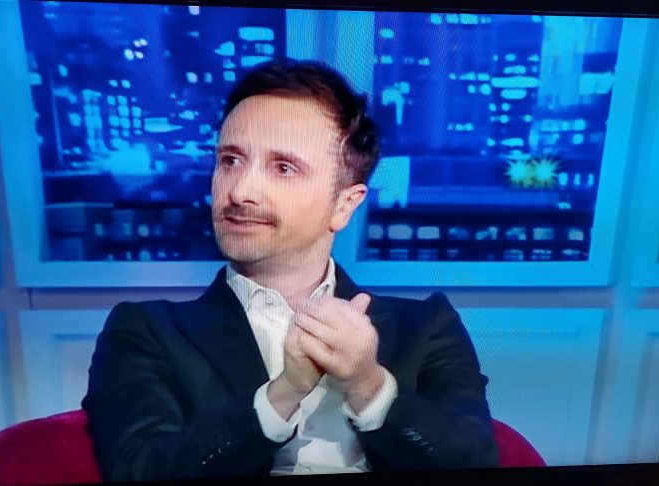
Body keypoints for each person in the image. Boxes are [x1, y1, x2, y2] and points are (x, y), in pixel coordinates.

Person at [82, 58, 499, 481]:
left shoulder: (426, 326)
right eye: (230, 160)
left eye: (283, 168)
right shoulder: (146, 331)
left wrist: (369, 385)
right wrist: (282, 394)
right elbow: (139, 470)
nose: (240, 191)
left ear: (344, 205)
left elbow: (474, 461)